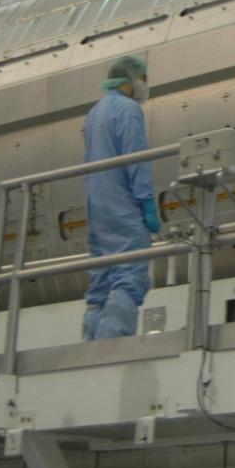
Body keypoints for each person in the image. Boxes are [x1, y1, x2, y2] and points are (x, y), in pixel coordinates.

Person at [82, 55, 161, 340]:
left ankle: (90, 347)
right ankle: (110, 349)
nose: (145, 85)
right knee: (129, 277)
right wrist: (148, 205)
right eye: (144, 79)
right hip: (122, 205)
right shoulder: (128, 110)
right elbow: (136, 161)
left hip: (97, 207)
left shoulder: (95, 112)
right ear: (132, 79)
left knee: (100, 283)